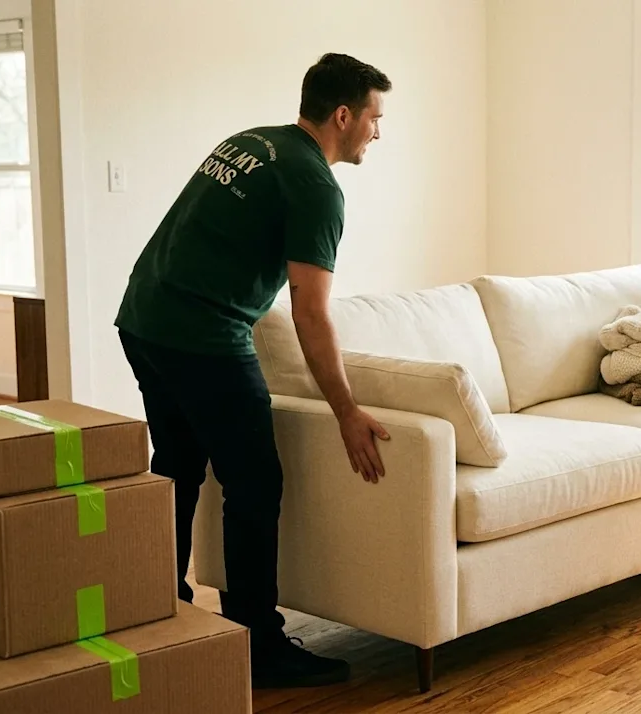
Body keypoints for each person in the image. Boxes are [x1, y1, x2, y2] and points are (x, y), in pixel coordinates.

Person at [114, 53, 393, 688]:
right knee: (255, 482)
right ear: (343, 115)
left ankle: (162, 608)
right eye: (375, 118)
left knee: (179, 461)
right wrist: (346, 411)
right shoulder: (318, 186)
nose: (378, 132)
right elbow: (311, 313)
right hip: (200, 332)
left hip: (143, 315)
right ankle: (258, 644)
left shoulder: (253, 142)